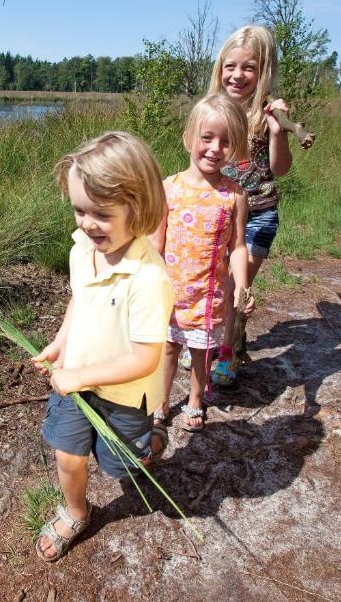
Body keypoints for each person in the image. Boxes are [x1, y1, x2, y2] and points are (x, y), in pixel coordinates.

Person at [31, 131, 175, 563]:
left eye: (101, 213)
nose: (87, 223)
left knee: (119, 467)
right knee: (68, 456)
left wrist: (79, 375)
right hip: (77, 386)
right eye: (79, 210)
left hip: (124, 397)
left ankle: (149, 443)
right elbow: (80, 297)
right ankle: (77, 511)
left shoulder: (149, 279)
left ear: (139, 205)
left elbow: (144, 357)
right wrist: (61, 343)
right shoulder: (82, 251)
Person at [150, 94, 255, 432]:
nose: (214, 148)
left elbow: (238, 246)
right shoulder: (168, 188)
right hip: (171, 293)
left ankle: (195, 399)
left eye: (225, 142)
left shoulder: (235, 195)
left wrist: (241, 285)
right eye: (206, 138)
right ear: (188, 139)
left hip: (208, 296)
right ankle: (161, 401)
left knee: (200, 353)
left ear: (235, 148)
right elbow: (156, 243)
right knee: (168, 349)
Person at [210, 25, 293, 365]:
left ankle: (228, 352)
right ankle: (215, 339)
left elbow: (281, 167)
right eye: (230, 66)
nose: (238, 75)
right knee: (216, 284)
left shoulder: (271, 111)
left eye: (249, 67)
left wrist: (278, 133)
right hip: (221, 212)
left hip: (259, 214)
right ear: (220, 68)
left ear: (263, 71)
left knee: (235, 287)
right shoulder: (213, 110)